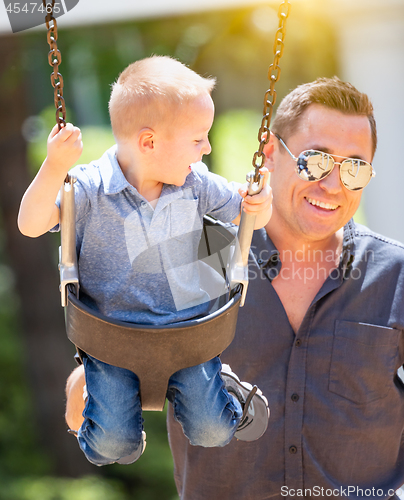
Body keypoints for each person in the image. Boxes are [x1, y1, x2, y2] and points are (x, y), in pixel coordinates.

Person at [165, 77, 404, 499]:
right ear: (270, 153)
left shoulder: (402, 278)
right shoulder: (201, 257)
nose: (334, 185)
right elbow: (117, 371)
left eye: (355, 167)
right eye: (315, 160)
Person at [17, 55, 272, 466]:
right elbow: (30, 224)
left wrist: (260, 203)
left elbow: (250, 218)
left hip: (188, 334)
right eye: (197, 138)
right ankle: (107, 410)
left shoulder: (197, 183)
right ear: (150, 142)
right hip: (111, 337)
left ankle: (223, 392)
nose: (206, 148)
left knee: (214, 432)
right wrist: (54, 166)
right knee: (110, 448)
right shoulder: (89, 187)